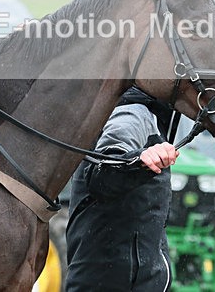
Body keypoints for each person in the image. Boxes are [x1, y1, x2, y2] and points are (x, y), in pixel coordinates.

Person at [65, 87, 181, 291]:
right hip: (115, 281)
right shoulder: (133, 114)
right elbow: (103, 176)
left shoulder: (140, 114)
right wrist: (138, 160)